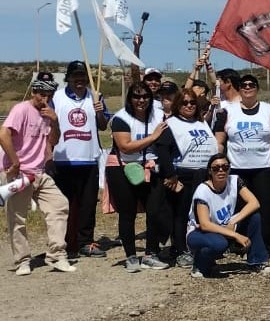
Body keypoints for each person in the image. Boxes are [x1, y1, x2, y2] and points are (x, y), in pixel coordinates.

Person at [1, 73, 76, 276]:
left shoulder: (47, 113)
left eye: (49, 95)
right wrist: (14, 161)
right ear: (34, 92)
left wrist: (55, 121)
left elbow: (54, 140)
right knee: (18, 218)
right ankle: (22, 260)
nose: (45, 99)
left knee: (59, 205)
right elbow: (3, 134)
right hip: (20, 173)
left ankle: (57, 255)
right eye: (41, 94)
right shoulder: (21, 109)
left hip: (40, 171)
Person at [213, 73, 270, 252]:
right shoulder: (228, 111)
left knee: (266, 208)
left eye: (251, 84)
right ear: (239, 88)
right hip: (237, 169)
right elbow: (219, 141)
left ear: (257, 88)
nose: (247, 87)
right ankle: (239, 242)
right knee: (239, 207)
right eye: (244, 85)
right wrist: (216, 162)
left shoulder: (269, 110)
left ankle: (264, 244)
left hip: (264, 168)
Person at [106, 82, 170, 271]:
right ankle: (131, 256)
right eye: (136, 96)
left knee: (154, 211)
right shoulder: (121, 118)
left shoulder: (159, 115)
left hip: (152, 166)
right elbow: (125, 146)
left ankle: (151, 253)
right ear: (130, 98)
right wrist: (153, 137)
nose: (141, 100)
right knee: (127, 213)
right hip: (123, 167)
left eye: (145, 96)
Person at [51, 60, 109, 258]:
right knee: (63, 204)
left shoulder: (96, 95)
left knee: (87, 204)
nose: (80, 80)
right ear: (68, 77)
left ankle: (85, 242)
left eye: (83, 76)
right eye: (75, 76)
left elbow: (103, 126)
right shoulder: (57, 97)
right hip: (62, 159)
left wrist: (99, 110)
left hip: (89, 158)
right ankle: (63, 242)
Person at [154, 88, 217, 269]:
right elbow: (163, 151)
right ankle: (180, 250)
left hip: (203, 175)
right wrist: (171, 175)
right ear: (177, 105)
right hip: (183, 175)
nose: (189, 106)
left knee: (200, 214)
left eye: (192, 103)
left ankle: (197, 245)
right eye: (184, 103)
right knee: (181, 214)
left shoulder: (201, 122)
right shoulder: (171, 124)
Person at [185, 153, 270, 278]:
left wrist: (233, 221)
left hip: (226, 226)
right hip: (199, 232)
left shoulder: (235, 181)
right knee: (219, 244)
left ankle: (257, 260)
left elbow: (254, 203)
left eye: (225, 167)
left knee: (254, 217)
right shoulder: (203, 190)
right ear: (210, 171)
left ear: (229, 169)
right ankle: (200, 262)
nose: (221, 170)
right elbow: (204, 224)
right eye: (216, 168)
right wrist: (235, 235)